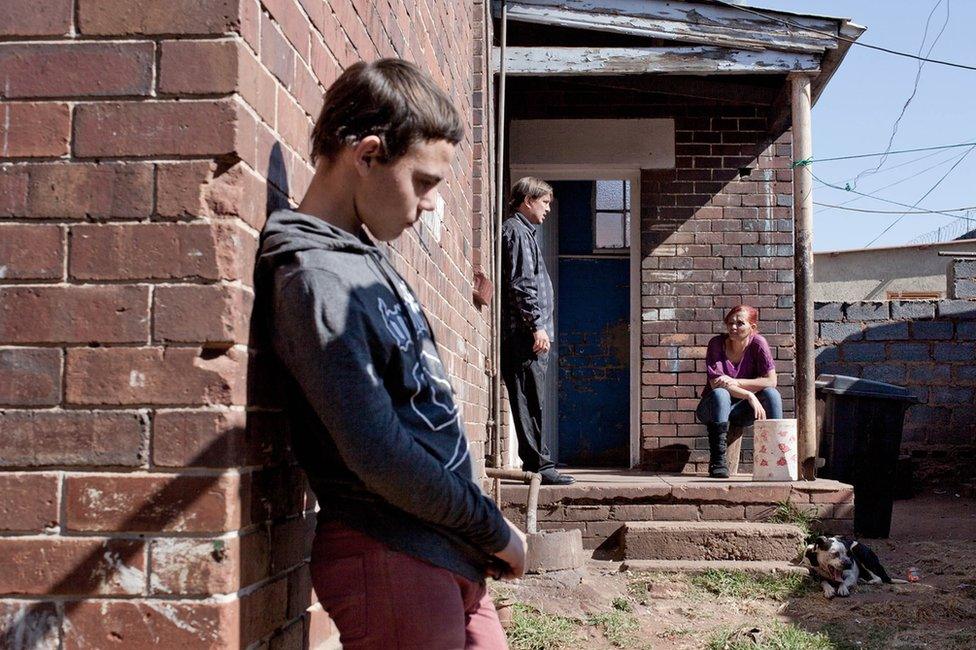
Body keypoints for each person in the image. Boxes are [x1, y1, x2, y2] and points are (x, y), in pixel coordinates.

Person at [257, 58, 524, 649]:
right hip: (389, 552)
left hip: (441, 546)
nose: (430, 203)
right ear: (369, 154)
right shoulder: (314, 276)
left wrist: (475, 533)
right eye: (424, 181)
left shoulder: (361, 255)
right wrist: (491, 527)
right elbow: (376, 451)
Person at [500, 178, 574, 486]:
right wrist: (537, 326)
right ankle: (540, 467)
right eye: (544, 202)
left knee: (532, 399)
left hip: (528, 333)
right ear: (528, 200)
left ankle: (539, 464)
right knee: (530, 401)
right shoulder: (516, 232)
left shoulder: (524, 232)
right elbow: (522, 284)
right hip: (525, 334)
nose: (547, 209)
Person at [695, 305, 783, 478]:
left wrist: (736, 382)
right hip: (713, 410)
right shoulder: (716, 344)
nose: (733, 327)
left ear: (753, 327)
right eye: (730, 323)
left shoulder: (758, 344)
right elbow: (716, 385)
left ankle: (777, 458)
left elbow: (771, 381)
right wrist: (749, 394)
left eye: (740, 323)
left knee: (772, 394)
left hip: (740, 411)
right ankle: (718, 461)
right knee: (721, 394)